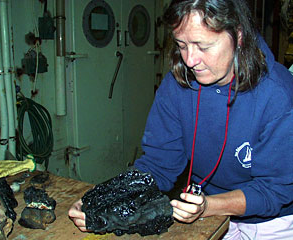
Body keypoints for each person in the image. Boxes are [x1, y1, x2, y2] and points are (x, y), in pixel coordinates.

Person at [68, 0, 293, 239]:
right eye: (181, 45)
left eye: (203, 46)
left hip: (271, 220)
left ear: (238, 36)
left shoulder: (278, 94)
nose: (190, 60)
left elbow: (275, 189)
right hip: (207, 208)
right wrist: (100, 198)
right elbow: (158, 164)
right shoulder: (178, 84)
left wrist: (209, 205)